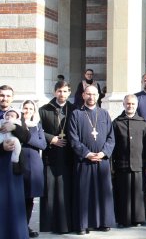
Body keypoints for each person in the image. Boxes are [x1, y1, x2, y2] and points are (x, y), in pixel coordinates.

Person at [68, 85, 115, 235]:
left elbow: (111, 138)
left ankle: (103, 222)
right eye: (88, 94)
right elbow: (73, 139)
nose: (91, 97)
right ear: (83, 95)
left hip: (102, 161)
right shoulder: (76, 114)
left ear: (98, 96)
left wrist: (103, 153)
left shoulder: (104, 114)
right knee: (84, 193)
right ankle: (83, 224)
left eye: (94, 94)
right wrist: (87, 153)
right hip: (84, 161)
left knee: (103, 192)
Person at [38, 80, 77, 234]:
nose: (62, 94)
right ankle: (48, 225)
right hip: (51, 156)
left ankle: (66, 224)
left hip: (68, 156)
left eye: (65, 91)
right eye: (59, 91)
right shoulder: (43, 110)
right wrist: (51, 139)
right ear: (55, 92)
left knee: (66, 192)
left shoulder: (74, 109)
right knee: (50, 192)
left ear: (69, 92)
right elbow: (37, 129)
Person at [112, 94, 146, 227]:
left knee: (138, 193)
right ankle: (123, 220)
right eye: (128, 104)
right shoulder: (116, 123)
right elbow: (113, 145)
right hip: (122, 165)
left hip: (139, 164)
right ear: (123, 104)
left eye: (133, 104)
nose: (130, 106)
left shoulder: (142, 123)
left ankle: (138, 219)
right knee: (123, 194)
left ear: (136, 105)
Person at [0, 85, 31, 238]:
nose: (4, 98)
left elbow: (27, 137)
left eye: (7, 96)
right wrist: (2, 147)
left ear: (12, 98)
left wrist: (14, 127)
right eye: (1, 95)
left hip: (14, 167)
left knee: (14, 203)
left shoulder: (16, 115)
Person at [21, 100, 47, 238]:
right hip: (19, 165)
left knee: (30, 198)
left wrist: (25, 136)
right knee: (18, 198)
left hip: (34, 165)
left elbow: (42, 144)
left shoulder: (37, 125)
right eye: (25, 108)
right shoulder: (17, 124)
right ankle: (18, 225)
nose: (28, 111)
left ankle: (26, 225)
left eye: (31, 108)